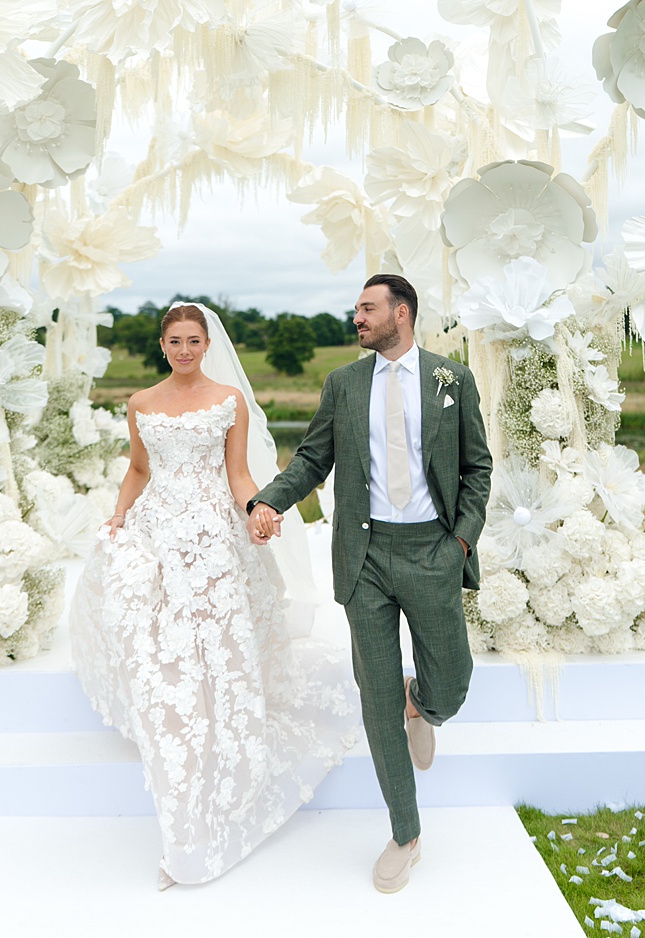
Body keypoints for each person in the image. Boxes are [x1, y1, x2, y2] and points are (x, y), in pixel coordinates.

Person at [69, 302, 358, 889]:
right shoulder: (141, 403)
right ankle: (174, 735)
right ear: (162, 344)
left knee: (217, 644)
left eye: (193, 340)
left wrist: (259, 510)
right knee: (160, 646)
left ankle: (226, 756)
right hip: (157, 533)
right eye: (174, 340)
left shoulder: (228, 400)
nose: (183, 349)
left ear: (206, 343)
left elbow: (239, 476)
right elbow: (138, 468)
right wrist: (119, 516)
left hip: (213, 539)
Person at [247, 274, 492, 894]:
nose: (356, 318)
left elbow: (476, 467)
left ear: (400, 313)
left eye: (367, 309)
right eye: (357, 309)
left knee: (454, 682)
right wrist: (268, 501)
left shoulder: (450, 380)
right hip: (365, 557)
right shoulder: (344, 383)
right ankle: (405, 834)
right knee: (376, 702)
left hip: (433, 551)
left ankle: (425, 703)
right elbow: (311, 458)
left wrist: (459, 541)